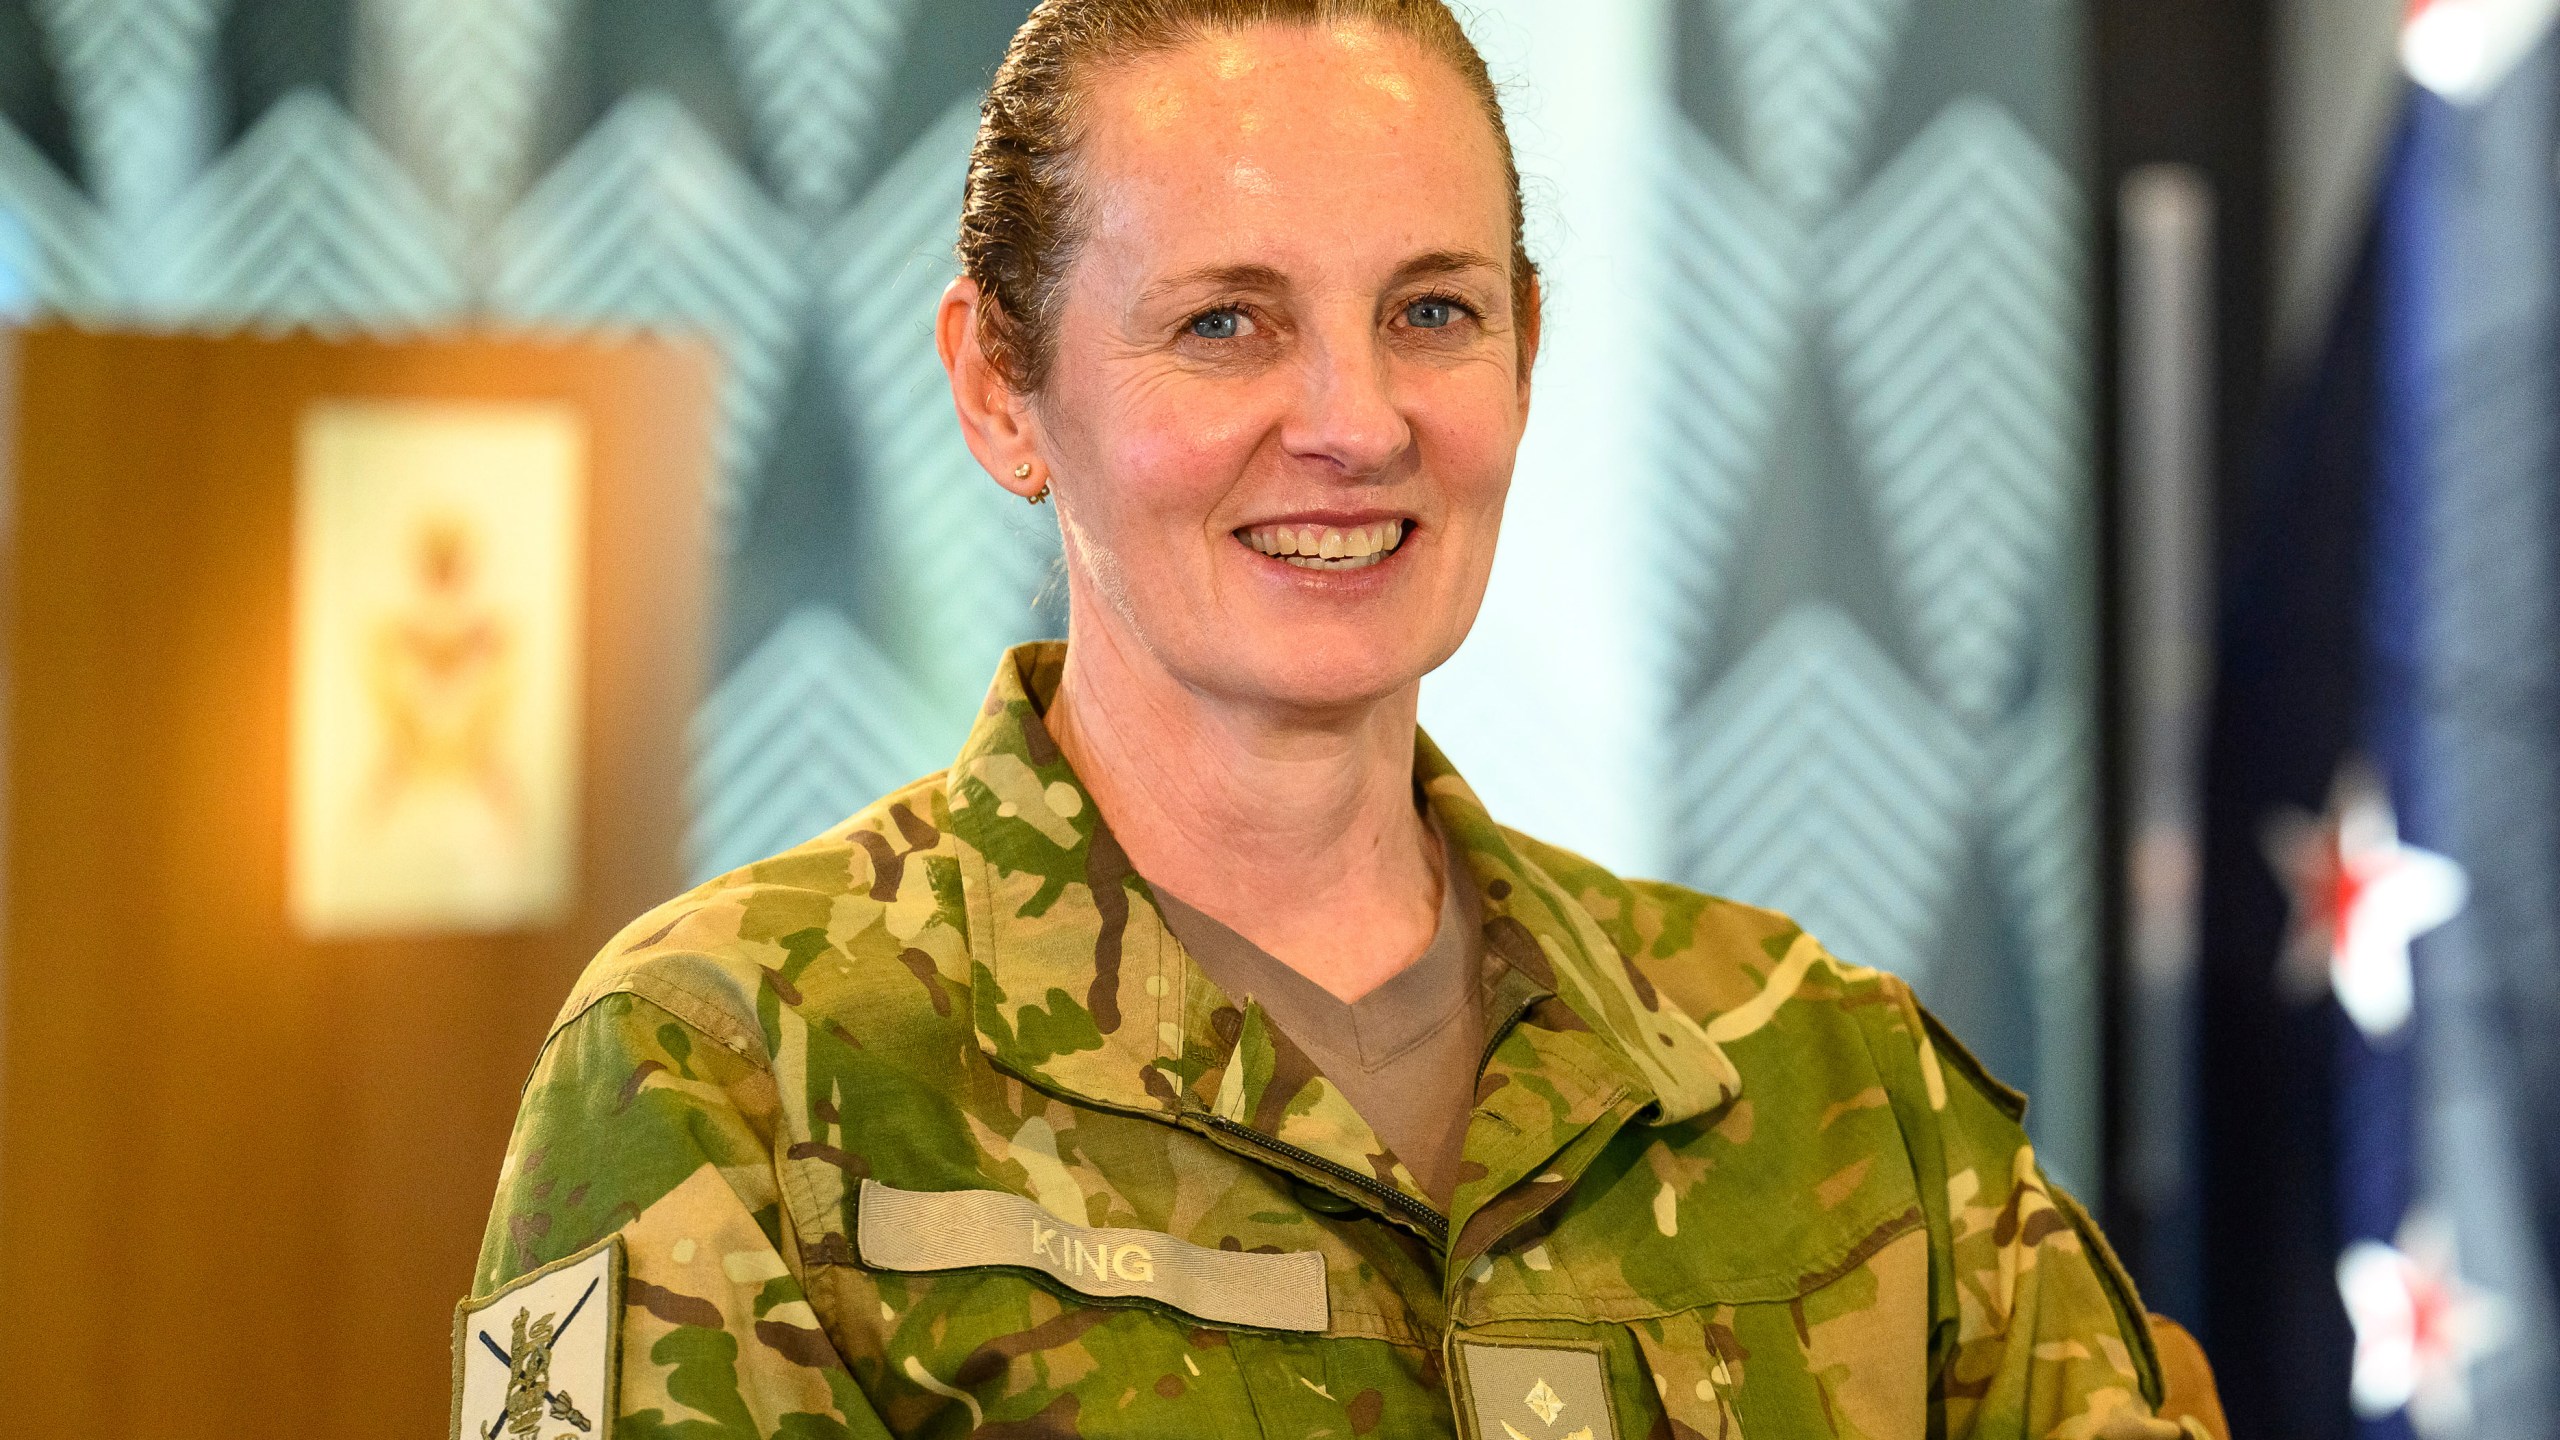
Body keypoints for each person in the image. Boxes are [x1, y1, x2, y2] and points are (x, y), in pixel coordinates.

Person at [456, 2, 2216, 1436]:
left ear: (1526, 348)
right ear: (1003, 387)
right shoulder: (734, 1073)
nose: (1354, 421)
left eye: (1432, 312)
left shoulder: (1827, 1078)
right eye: (1226, 324)